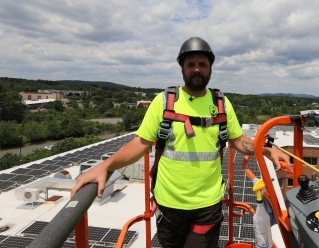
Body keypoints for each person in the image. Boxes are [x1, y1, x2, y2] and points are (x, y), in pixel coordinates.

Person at [71, 37, 290, 248]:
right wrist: (105, 166)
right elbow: (140, 143)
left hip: (207, 205)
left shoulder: (221, 103)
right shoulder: (164, 102)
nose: (197, 69)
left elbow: (237, 140)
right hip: (169, 205)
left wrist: (268, 150)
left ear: (210, 68)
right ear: (182, 69)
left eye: (202, 64)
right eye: (191, 64)